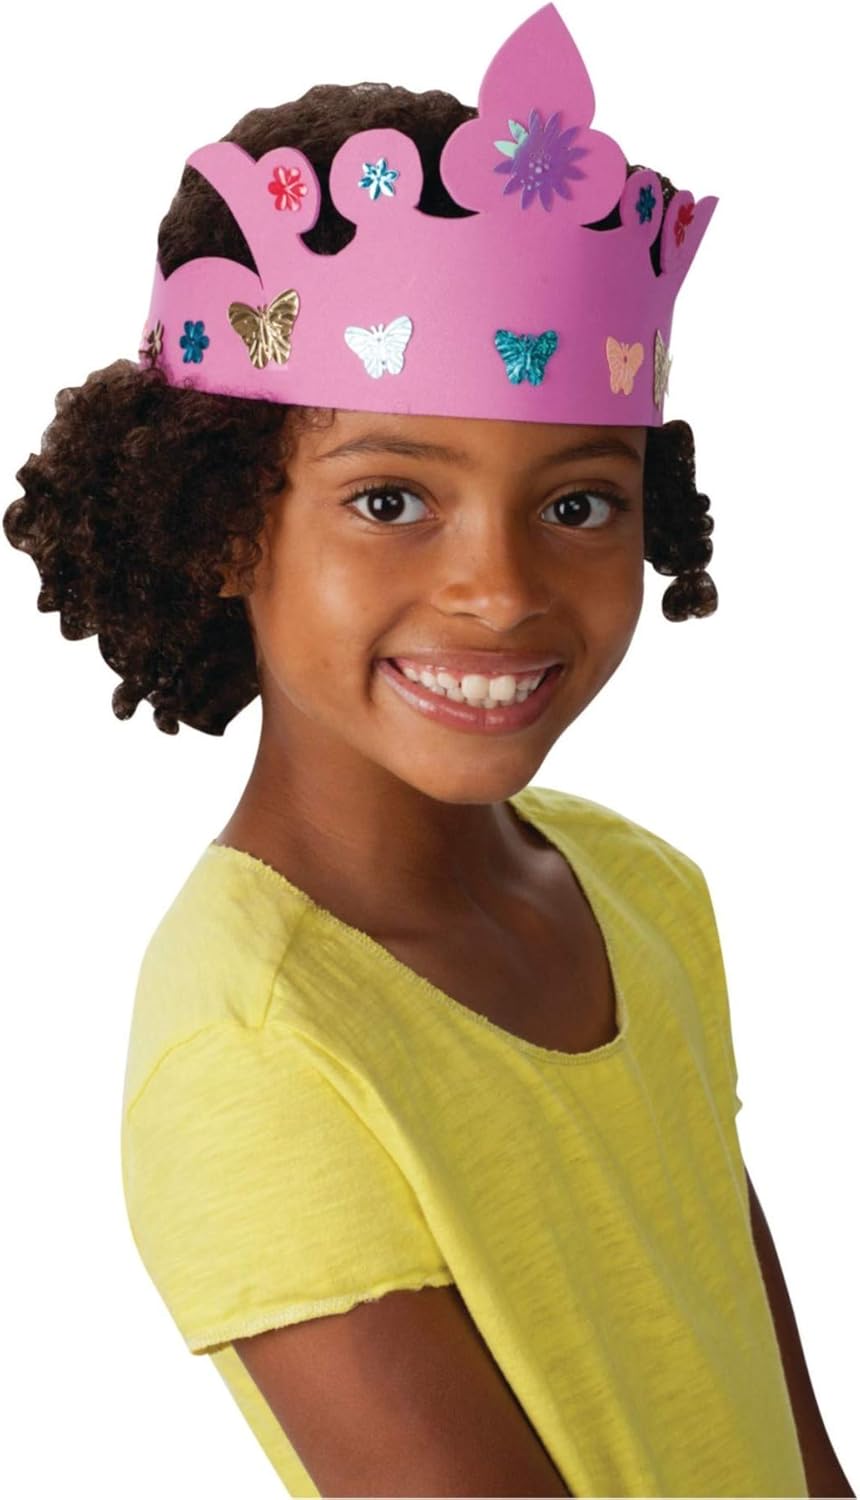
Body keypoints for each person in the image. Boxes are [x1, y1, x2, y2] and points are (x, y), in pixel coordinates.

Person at [3, 5, 853, 1497]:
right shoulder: (256, 1053)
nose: (502, 590)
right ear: (223, 524)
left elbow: (783, 1431)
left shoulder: (644, 892)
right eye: (391, 501)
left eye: (577, 503)